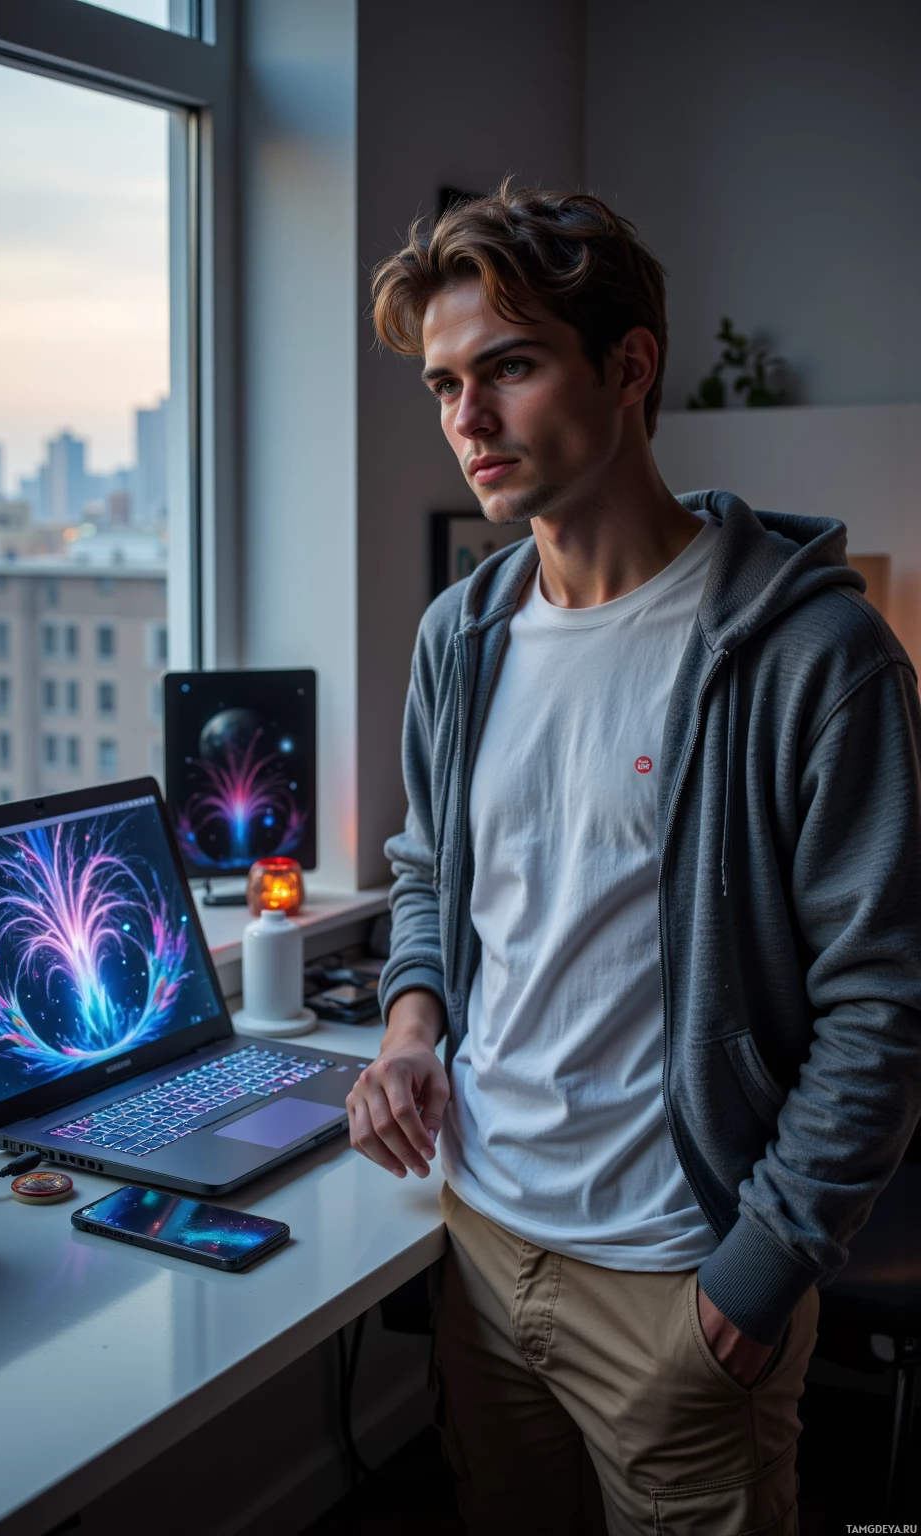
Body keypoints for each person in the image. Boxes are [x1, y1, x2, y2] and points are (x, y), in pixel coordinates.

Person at [345, 182, 921, 1535]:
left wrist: (753, 1282)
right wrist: (412, 1028)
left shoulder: (812, 659)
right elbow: (431, 870)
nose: (466, 423)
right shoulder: (460, 637)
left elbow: (884, 1007)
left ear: (631, 366)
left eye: (510, 369)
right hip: (479, 1247)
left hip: (680, 1286)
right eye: (442, 386)